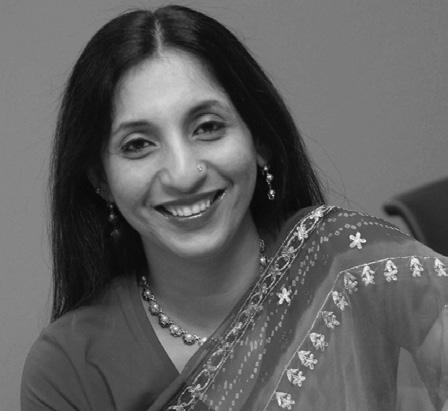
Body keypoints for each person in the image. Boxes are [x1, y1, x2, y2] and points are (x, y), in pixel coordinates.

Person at [20, 5, 448, 411]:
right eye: (138, 145)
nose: (183, 174)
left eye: (208, 127)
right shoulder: (70, 367)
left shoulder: (348, 266)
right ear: (101, 180)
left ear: (259, 141)